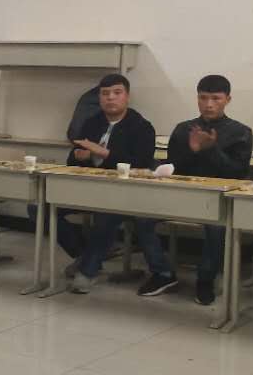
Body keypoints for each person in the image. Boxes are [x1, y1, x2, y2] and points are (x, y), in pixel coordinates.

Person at [64, 74, 176, 296]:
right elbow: (72, 160)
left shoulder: (141, 127)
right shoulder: (92, 122)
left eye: (117, 93)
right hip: (91, 187)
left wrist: (103, 153)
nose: (110, 98)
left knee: (107, 213)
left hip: (126, 193)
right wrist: (80, 156)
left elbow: (140, 163)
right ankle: (85, 255)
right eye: (105, 94)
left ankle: (87, 271)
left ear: (127, 96)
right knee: (38, 207)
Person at [166, 75, 253, 305]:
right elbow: (172, 168)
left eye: (216, 98)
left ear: (228, 100)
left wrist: (210, 149)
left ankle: (205, 280)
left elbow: (237, 173)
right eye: (203, 98)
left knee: (217, 229)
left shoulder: (241, 132)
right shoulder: (183, 129)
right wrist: (193, 151)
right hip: (184, 195)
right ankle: (162, 273)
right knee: (141, 218)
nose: (209, 104)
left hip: (219, 199)